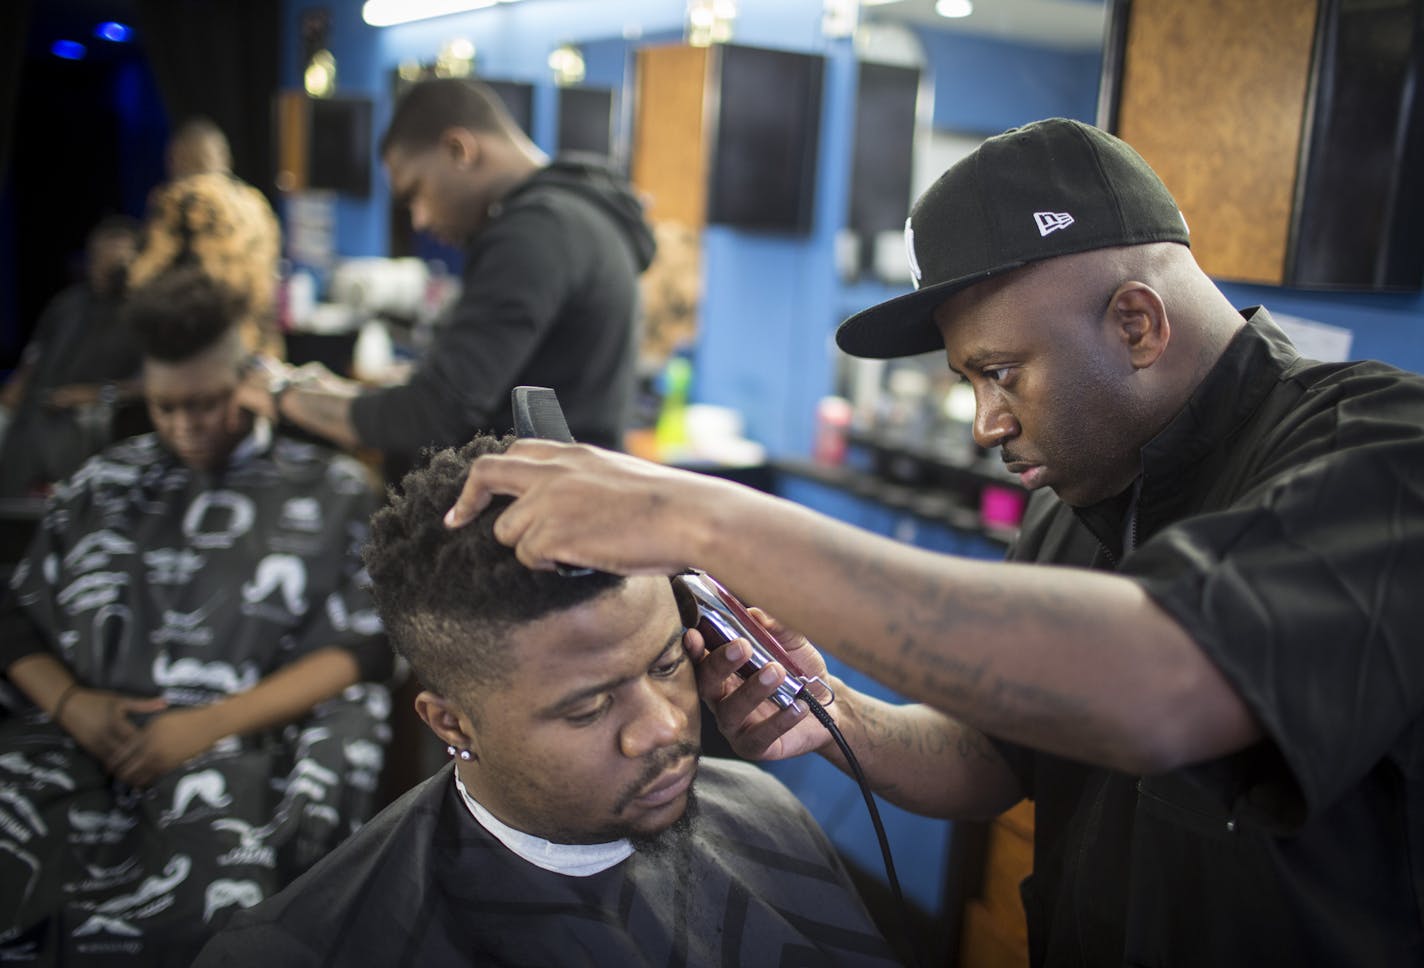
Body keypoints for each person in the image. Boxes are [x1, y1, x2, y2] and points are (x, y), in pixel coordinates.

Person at [443, 119, 1424, 966]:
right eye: (967, 381)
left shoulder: (1379, 457)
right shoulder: (1082, 489)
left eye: (1000, 372)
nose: (983, 424)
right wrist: (829, 714)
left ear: (1133, 322)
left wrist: (695, 516)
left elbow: (1166, 679)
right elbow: (995, 753)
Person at [192, 435, 898, 967]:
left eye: (663, 663)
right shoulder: (298, 951)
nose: (663, 727)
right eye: (588, 708)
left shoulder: (765, 810)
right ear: (451, 723)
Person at [0, 268, 393, 965]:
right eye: (165, 408)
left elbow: (360, 650)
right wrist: (73, 705)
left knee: (216, 917)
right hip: (78, 739)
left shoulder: (331, 490)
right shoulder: (102, 484)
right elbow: (17, 621)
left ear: (247, 379)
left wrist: (203, 726)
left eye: (209, 403)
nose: (188, 426)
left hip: (243, 749)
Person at [233, 78, 656, 467]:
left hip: (548, 522)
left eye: (415, 192)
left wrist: (284, 395)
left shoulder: (535, 232)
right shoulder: (580, 218)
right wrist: (347, 394)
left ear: (458, 150)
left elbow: (438, 413)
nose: (418, 220)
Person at [0, 215, 143, 497]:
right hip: (37, 406)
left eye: (119, 260)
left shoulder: (143, 313)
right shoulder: (66, 305)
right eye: (103, 258)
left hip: (88, 413)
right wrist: (15, 389)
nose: (109, 267)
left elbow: (149, 383)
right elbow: (34, 356)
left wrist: (91, 393)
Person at [128, 117, 284, 358]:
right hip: (258, 349)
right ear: (225, 157)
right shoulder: (257, 203)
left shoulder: (180, 199)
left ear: (177, 157)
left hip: (201, 351)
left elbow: (146, 275)